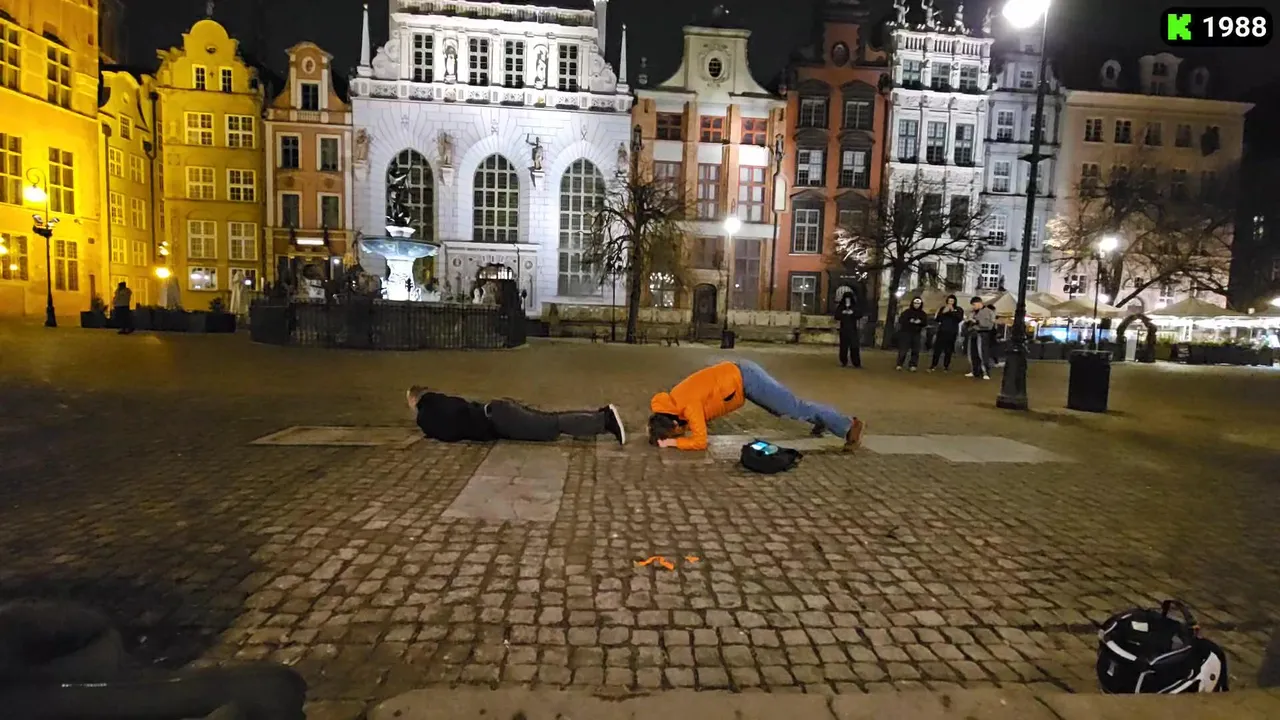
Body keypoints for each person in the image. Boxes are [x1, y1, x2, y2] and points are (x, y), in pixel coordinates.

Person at [647, 360, 865, 451]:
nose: (682, 431)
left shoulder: (687, 405)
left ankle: (848, 426)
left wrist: (673, 443)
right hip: (741, 374)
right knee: (788, 409)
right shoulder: (673, 402)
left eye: (677, 431)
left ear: (673, 423)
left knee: (792, 408)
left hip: (747, 379)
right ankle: (822, 419)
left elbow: (700, 441)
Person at [407, 385, 626, 444]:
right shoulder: (441, 400)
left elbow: (448, 433)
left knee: (552, 424)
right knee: (550, 420)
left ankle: (604, 420)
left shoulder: (425, 414)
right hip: (498, 410)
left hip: (499, 420)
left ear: (414, 400)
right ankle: (599, 417)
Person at [929, 294, 964, 372]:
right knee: (937, 349)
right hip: (942, 331)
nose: (950, 302)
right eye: (949, 301)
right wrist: (943, 312)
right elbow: (938, 319)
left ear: (955, 301)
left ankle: (946, 366)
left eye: (952, 301)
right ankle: (933, 365)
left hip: (952, 332)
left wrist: (952, 311)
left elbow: (959, 319)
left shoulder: (958, 309)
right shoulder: (942, 308)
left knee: (948, 350)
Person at [965, 296, 996, 380]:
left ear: (979, 303)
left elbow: (989, 325)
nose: (973, 307)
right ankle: (974, 371)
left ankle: (985, 372)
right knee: (972, 353)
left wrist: (975, 321)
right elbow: (968, 323)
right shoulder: (972, 312)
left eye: (974, 305)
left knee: (982, 353)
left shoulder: (988, 311)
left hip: (982, 334)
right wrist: (968, 322)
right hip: (973, 333)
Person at [895, 297, 928, 371]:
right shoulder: (907, 312)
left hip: (916, 334)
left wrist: (920, 322)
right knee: (903, 350)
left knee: (915, 350)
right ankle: (899, 364)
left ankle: (913, 365)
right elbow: (901, 320)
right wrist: (909, 321)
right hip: (906, 333)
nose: (916, 305)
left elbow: (925, 322)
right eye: (915, 303)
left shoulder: (922, 314)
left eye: (918, 303)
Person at [833, 293, 861, 368]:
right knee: (843, 347)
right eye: (846, 299)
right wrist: (843, 312)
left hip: (852, 330)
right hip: (844, 330)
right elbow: (836, 316)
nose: (847, 301)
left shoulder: (854, 306)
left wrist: (853, 312)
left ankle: (856, 362)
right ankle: (843, 361)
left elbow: (859, 314)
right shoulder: (841, 307)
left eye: (849, 299)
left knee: (854, 346)